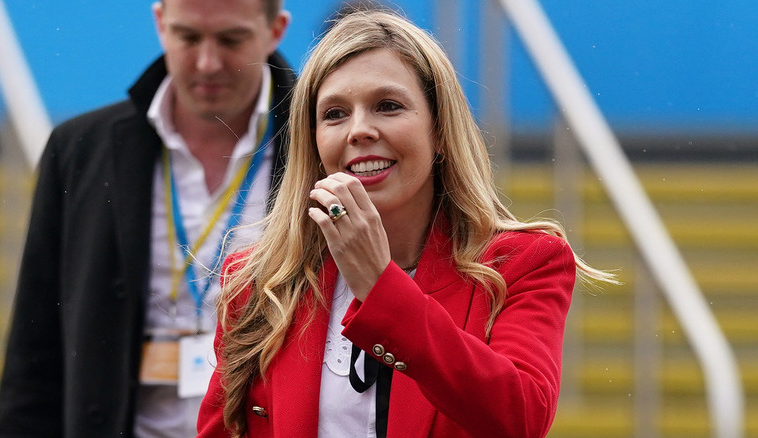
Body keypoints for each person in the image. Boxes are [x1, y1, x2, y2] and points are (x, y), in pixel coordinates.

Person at [197, 8, 616, 438]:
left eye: (388, 106)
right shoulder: (258, 281)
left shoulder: (523, 263)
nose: (359, 130)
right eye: (335, 114)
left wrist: (381, 288)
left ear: (439, 131)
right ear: (314, 142)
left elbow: (521, 418)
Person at [0, 0, 294, 436]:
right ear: (160, 23)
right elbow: (35, 352)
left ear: (276, 30)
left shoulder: (322, 140)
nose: (208, 63)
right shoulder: (80, 150)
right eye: (188, 37)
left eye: (231, 39)